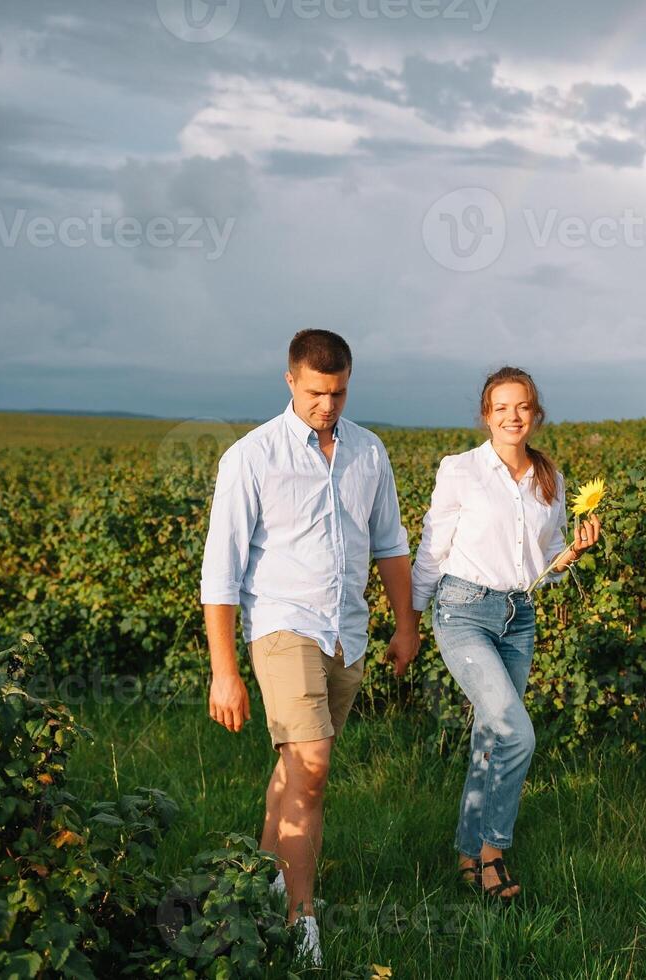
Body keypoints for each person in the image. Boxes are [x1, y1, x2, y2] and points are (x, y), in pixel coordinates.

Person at [200, 329, 420, 965]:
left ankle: (263, 883)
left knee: (298, 767)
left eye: (341, 392)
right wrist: (225, 671)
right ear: (291, 381)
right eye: (318, 392)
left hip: (345, 630)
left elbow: (390, 544)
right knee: (315, 766)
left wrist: (405, 625)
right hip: (281, 625)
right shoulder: (252, 456)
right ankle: (302, 922)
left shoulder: (369, 452)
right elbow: (221, 570)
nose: (329, 405)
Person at [410, 365, 602, 903]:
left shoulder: (550, 479)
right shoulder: (461, 470)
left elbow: (542, 560)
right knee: (518, 733)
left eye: (522, 407)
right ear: (486, 415)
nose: (512, 417)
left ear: (535, 415)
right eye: (501, 408)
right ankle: (495, 853)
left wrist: (573, 554)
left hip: (520, 617)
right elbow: (433, 548)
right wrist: (411, 621)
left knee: (491, 739)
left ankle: (466, 857)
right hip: (464, 611)